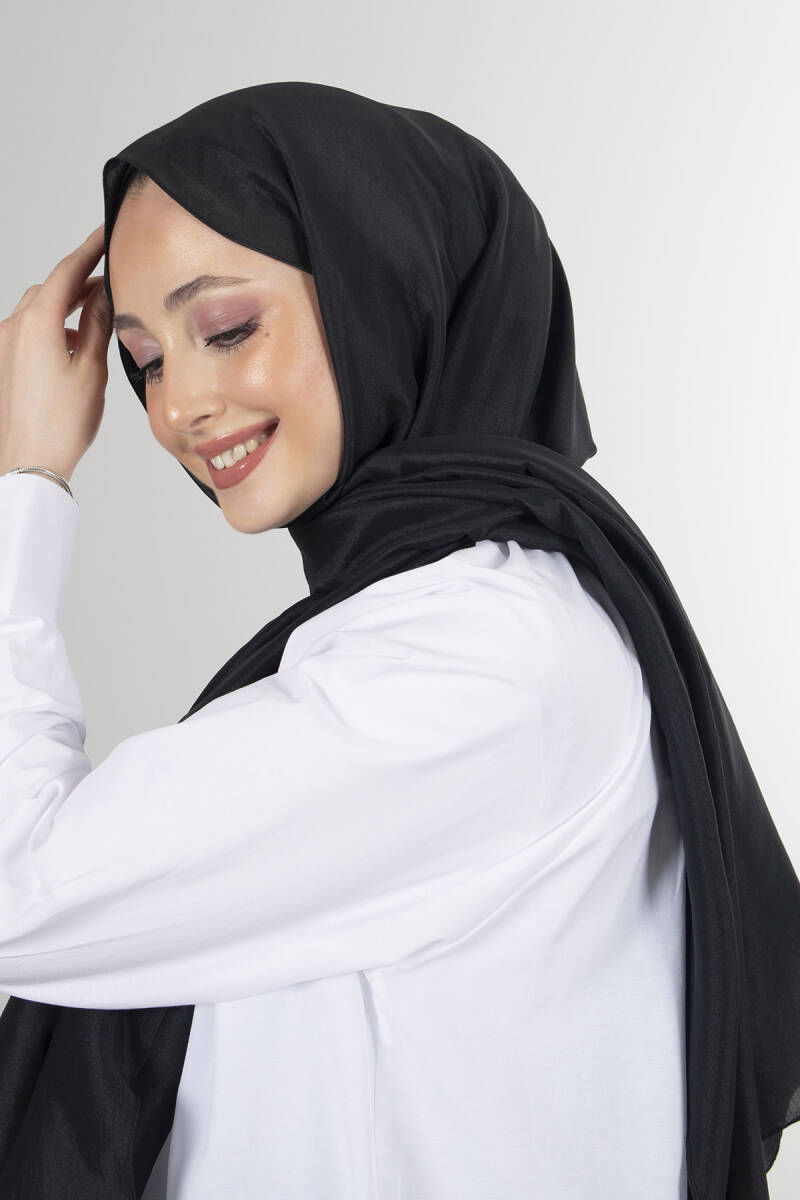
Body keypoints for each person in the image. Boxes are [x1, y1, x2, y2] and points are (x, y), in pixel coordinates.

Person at [0, 81, 796, 1200]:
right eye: (145, 361)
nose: (176, 408)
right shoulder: (444, 622)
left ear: (390, 289)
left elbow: (24, 886)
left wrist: (25, 479)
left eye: (224, 329)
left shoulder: (481, 660)